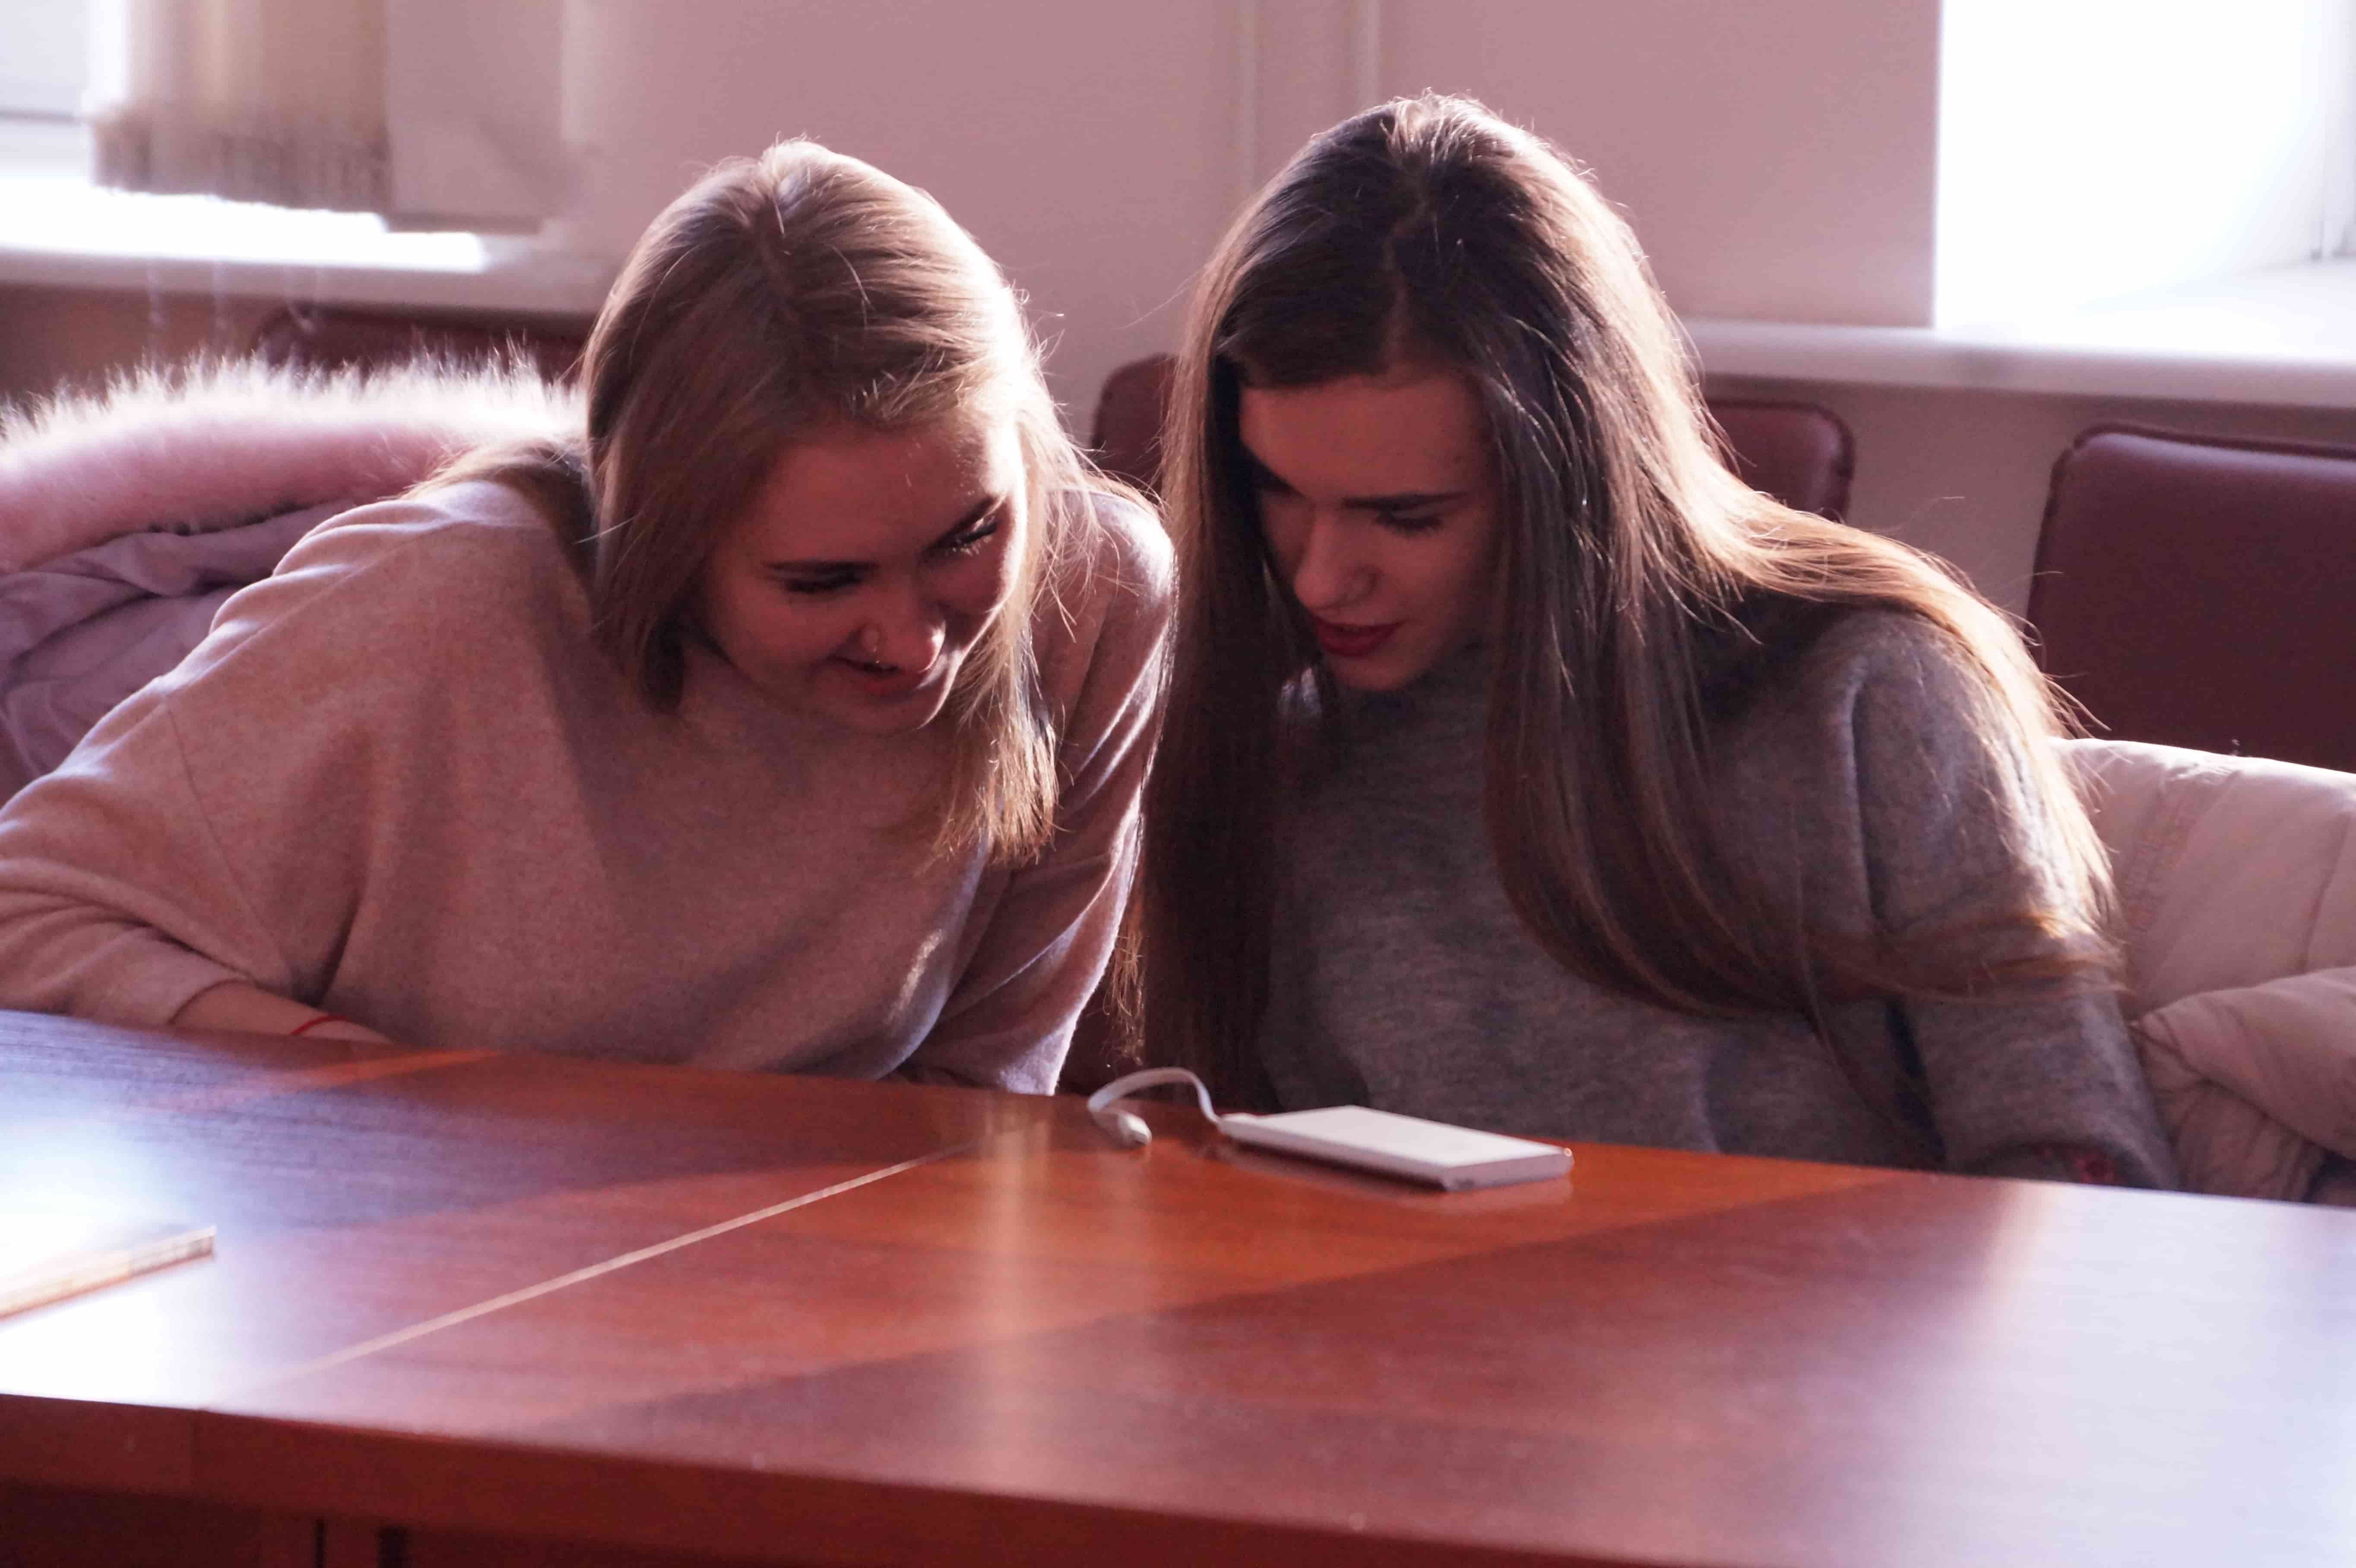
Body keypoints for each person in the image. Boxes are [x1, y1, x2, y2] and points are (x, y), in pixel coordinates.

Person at [1139, 96, 2174, 1183]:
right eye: (1277, 490)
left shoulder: (1863, 688)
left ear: (1568, 477)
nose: (1319, 576)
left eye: (1407, 517)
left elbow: (2075, 1165)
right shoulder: (1274, 731)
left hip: (1815, 1295)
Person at [0, 139, 1170, 1093]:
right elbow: (32, 911)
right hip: (394, 1226)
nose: (914, 643)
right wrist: (365, 1083)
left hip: (792, 1242)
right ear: (667, 544)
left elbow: (984, 1093)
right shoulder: (438, 601)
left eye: (967, 536)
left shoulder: (1095, 594)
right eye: (822, 582)